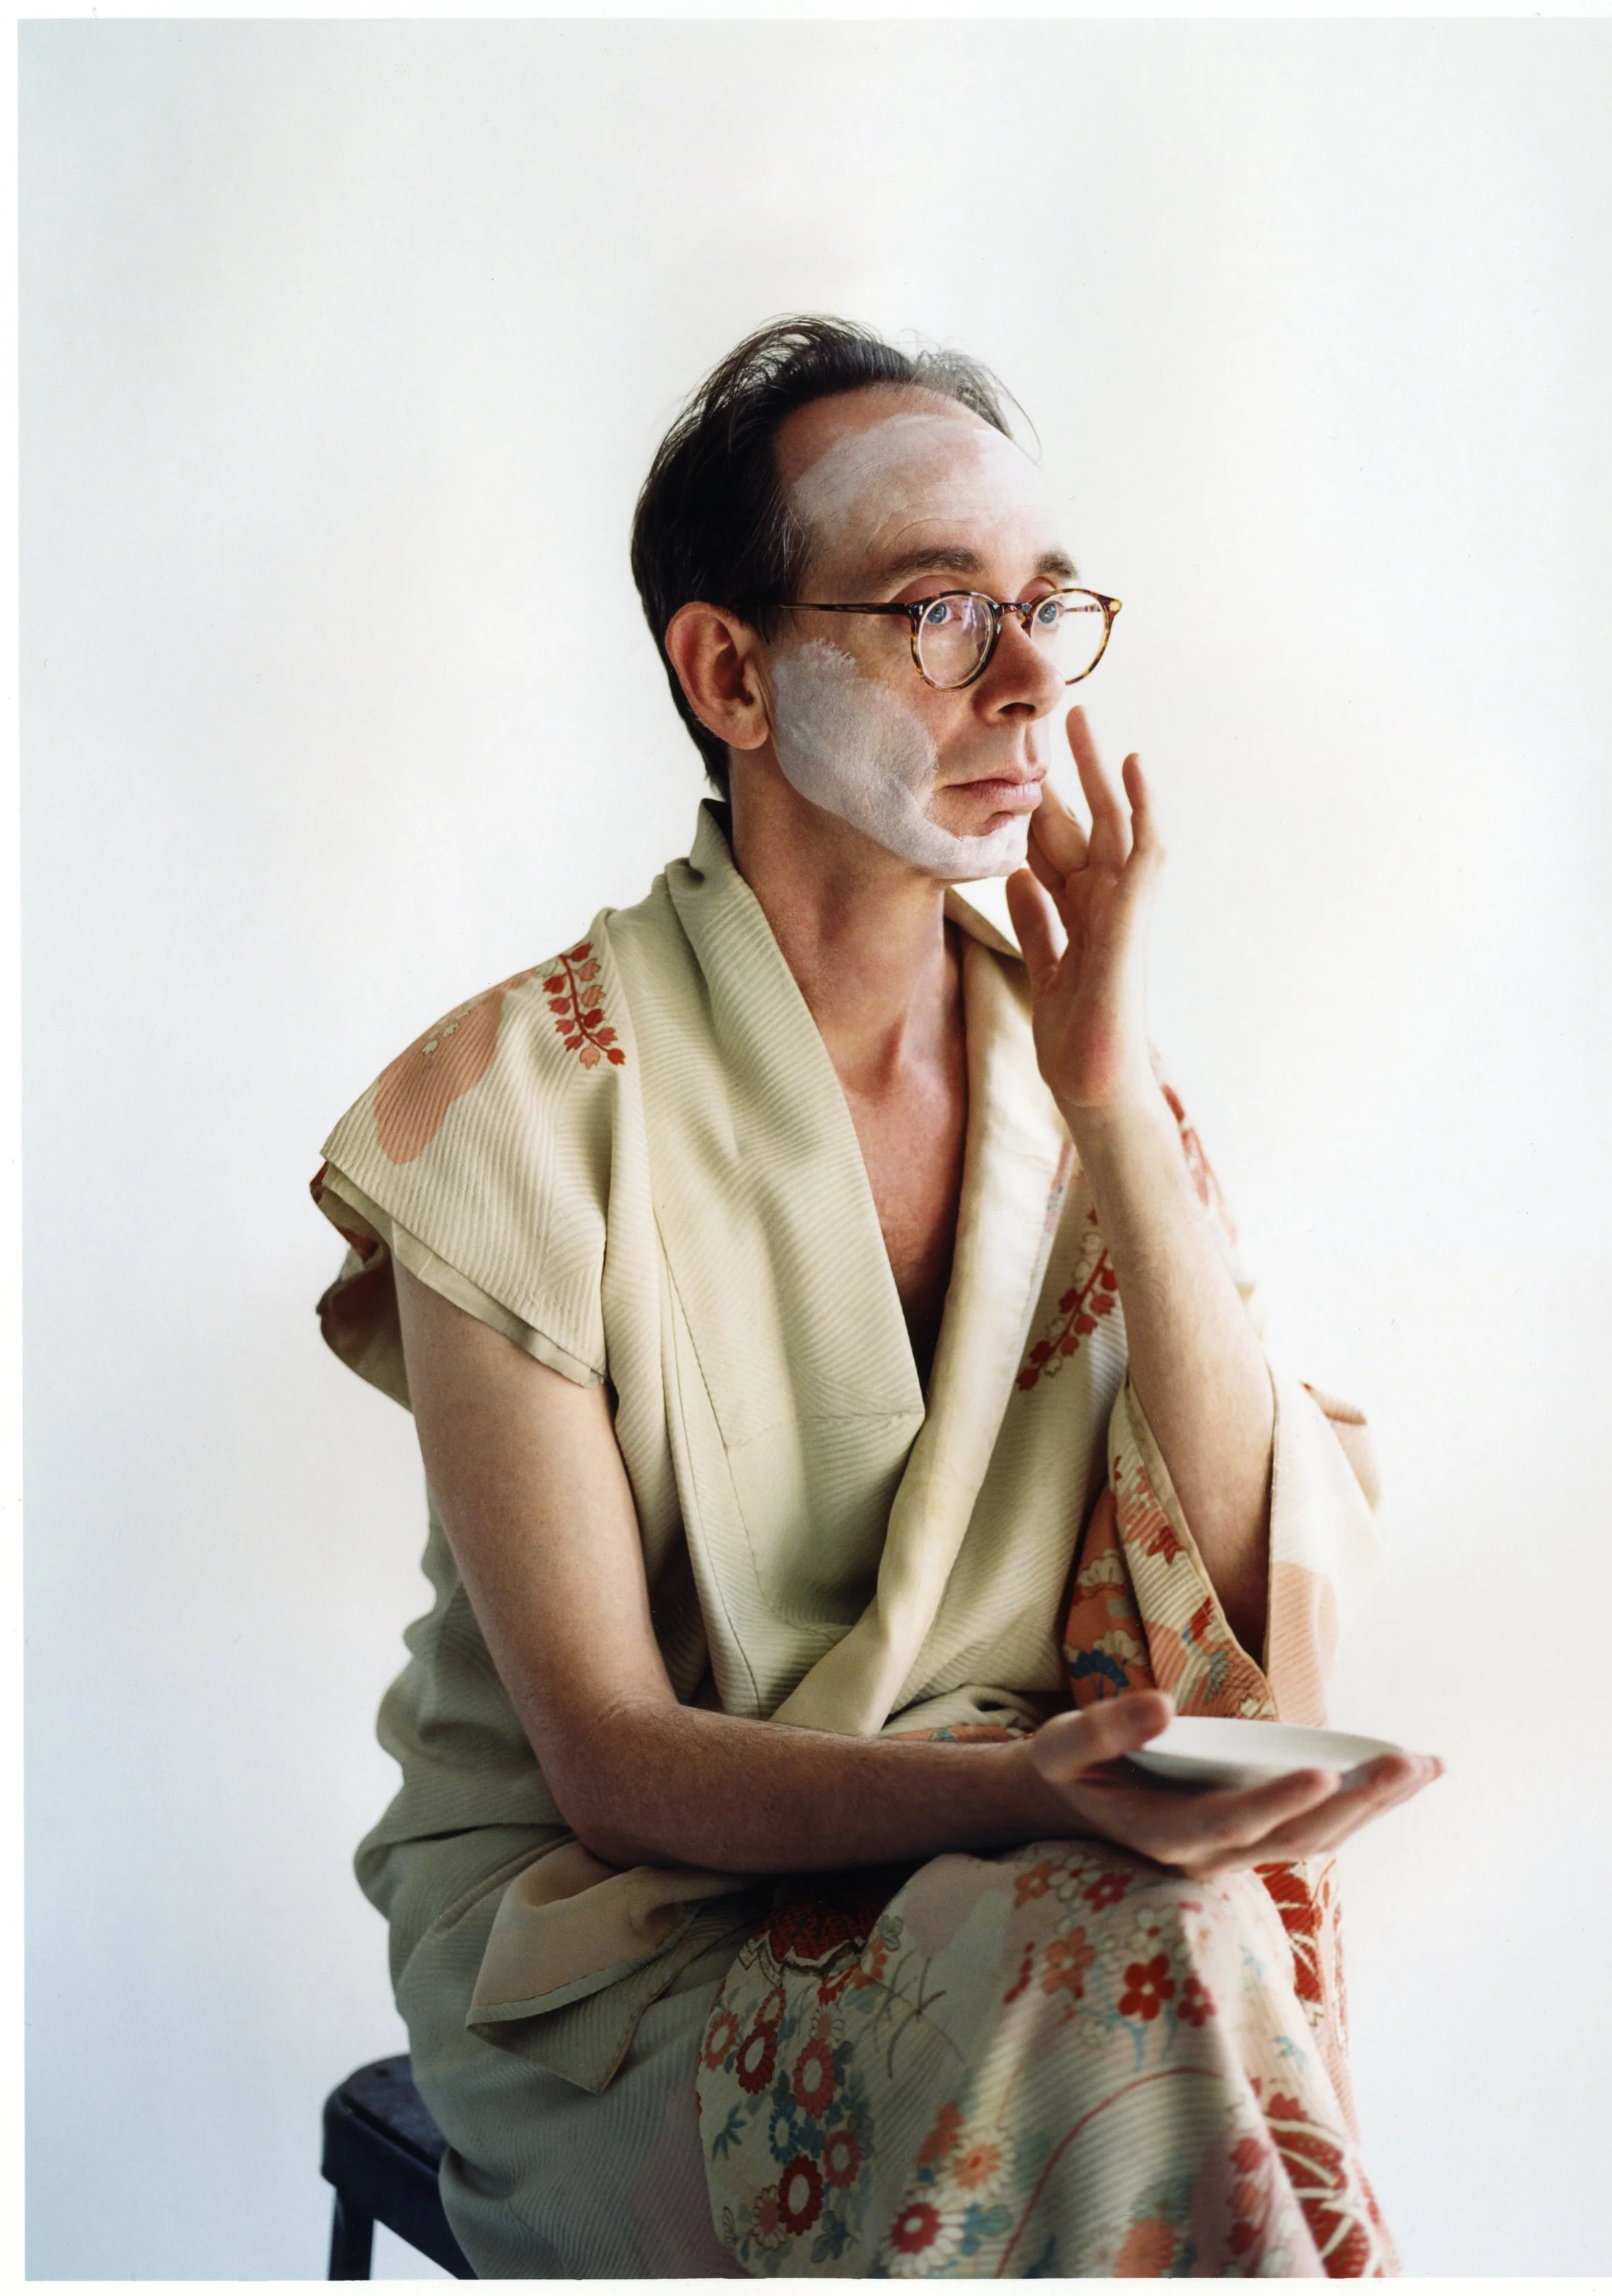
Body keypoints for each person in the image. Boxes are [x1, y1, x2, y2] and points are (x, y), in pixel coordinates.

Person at [311, 315, 1440, 2278]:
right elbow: (608, 1753)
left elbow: (1248, 1573)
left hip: (1027, 1897)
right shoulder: (506, 1109)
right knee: (1132, 1951)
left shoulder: (1078, 1074)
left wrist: (1105, 1092)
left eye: (1048, 609)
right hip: (621, 1950)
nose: (1024, 681)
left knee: (1161, 1935)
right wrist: (1018, 1793)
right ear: (728, 672)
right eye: (938, 613)